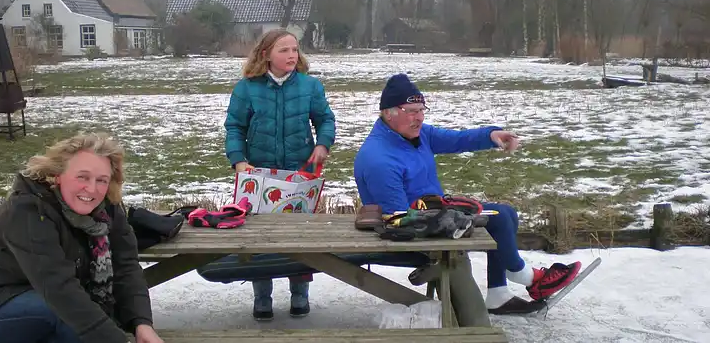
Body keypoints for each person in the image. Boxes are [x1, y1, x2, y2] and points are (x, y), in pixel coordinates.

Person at [353, 73, 582, 315]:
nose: (419, 117)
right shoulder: (379, 159)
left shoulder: (417, 136)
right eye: (411, 110)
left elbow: (457, 139)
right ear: (389, 113)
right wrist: (449, 217)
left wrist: (492, 136)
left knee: (505, 215)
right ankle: (526, 276)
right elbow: (398, 222)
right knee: (501, 216)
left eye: (422, 109)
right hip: (413, 235)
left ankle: (498, 294)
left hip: (432, 216)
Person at [0, 133, 163, 343]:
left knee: (79, 323)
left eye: (101, 180)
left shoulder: (108, 210)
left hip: (52, 300)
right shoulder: (27, 211)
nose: (91, 188)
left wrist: (141, 322)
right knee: (68, 316)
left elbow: (126, 266)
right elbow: (58, 287)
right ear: (58, 175)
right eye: (82, 177)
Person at [224, 29, 336, 321]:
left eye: (295, 50)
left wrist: (322, 145)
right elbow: (235, 127)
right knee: (261, 240)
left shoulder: (310, 87)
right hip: (259, 177)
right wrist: (238, 160)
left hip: (301, 173)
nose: (291, 56)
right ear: (266, 54)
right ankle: (262, 298)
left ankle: (300, 294)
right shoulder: (246, 89)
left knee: (299, 238)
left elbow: (325, 120)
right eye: (284, 50)